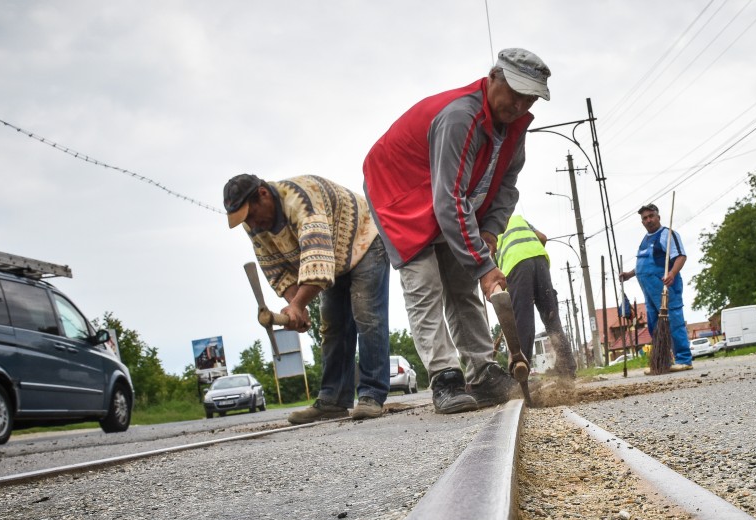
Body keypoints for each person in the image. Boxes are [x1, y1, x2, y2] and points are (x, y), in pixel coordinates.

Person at [362, 48, 551, 413]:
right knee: (425, 283)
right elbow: (449, 198)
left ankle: (483, 372)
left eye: (529, 99)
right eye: (515, 93)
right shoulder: (460, 117)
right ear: (493, 77)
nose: (519, 105)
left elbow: (507, 186)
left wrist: (490, 235)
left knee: (463, 283)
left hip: (444, 195)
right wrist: (483, 264)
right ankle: (445, 378)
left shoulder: (514, 127)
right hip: (399, 193)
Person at [223, 173, 390, 424]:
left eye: (251, 214)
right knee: (333, 325)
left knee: (367, 316)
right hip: (334, 256)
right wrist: (295, 307)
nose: (252, 224)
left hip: (364, 238)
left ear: (263, 194)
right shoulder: (254, 224)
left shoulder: (301, 200)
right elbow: (276, 268)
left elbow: (318, 260)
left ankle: (371, 395)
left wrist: (298, 304)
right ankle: (333, 400)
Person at [496, 214, 576, 376]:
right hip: (539, 260)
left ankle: (521, 370)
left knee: (523, 320)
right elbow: (543, 238)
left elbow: (494, 275)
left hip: (516, 265)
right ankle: (567, 366)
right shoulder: (518, 218)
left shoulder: (490, 230)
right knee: (550, 315)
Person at [619, 203, 692, 372]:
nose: (648, 220)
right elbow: (643, 264)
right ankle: (663, 361)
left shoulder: (668, 235)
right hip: (649, 293)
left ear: (658, 217)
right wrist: (630, 274)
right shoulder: (645, 240)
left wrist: (672, 273)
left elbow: (681, 256)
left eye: (651, 216)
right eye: (645, 218)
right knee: (655, 326)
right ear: (642, 222)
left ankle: (684, 359)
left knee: (674, 322)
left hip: (666, 288)